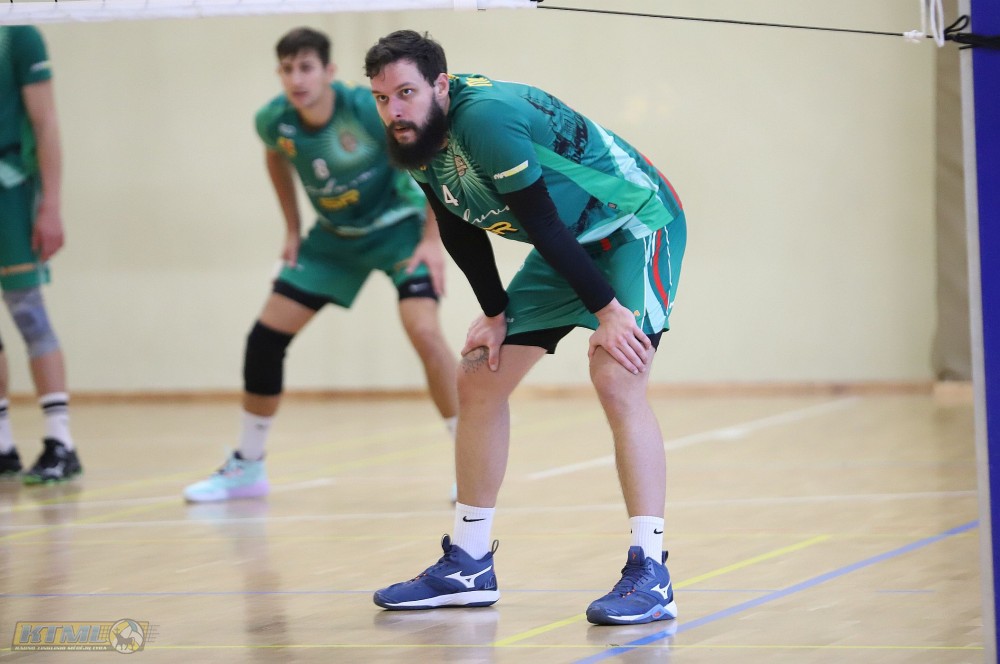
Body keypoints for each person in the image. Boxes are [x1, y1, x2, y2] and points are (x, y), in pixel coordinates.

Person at [362, 30, 688, 626]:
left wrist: (607, 311)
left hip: (635, 224)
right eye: (382, 98)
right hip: (567, 241)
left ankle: (652, 571)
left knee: (616, 375)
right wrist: (493, 312)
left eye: (406, 92)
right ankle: (468, 563)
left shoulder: (487, 119)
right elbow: (456, 223)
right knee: (478, 376)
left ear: (440, 85)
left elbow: (540, 222)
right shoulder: (415, 135)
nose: (394, 110)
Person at [183, 27, 459, 503]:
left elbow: (431, 156)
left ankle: (467, 455)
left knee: (425, 333)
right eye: (287, 69)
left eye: (306, 67)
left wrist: (433, 239)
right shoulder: (274, 121)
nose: (297, 78)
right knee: (264, 340)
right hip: (334, 239)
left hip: (398, 228)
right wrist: (292, 229)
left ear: (329, 71)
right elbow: (276, 159)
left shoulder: (366, 111)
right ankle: (248, 466)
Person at [0, 26, 82, 484]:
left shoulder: (17, 34)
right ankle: (2, 446)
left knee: (28, 312)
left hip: (10, 188)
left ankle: (60, 441)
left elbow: (45, 120)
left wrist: (51, 204)